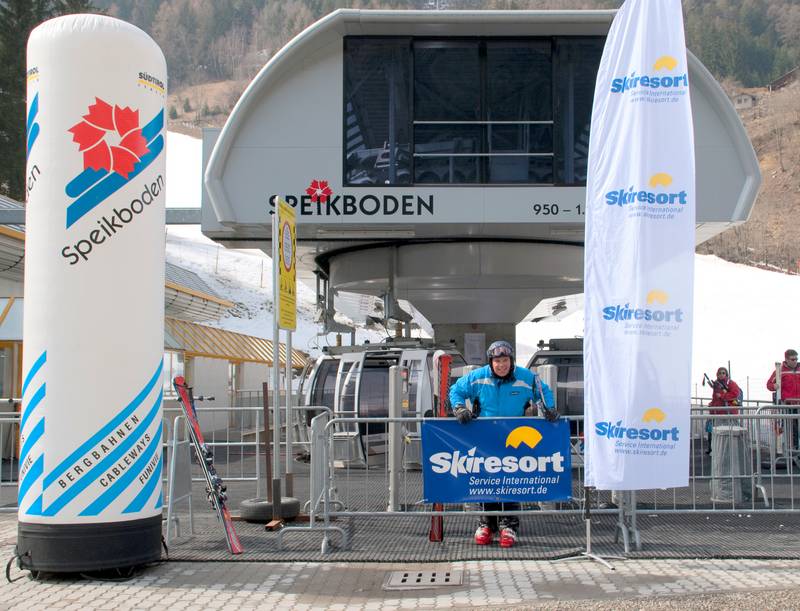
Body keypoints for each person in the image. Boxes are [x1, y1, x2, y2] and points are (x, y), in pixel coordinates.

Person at [448, 339, 556, 548]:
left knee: (511, 478)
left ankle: (509, 525)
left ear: (511, 360)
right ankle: (486, 523)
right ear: (491, 362)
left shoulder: (525, 377)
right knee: (486, 478)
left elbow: (543, 392)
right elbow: (456, 390)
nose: (501, 365)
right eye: (497, 361)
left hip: (513, 438)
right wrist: (460, 408)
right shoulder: (478, 376)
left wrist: (548, 408)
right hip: (486, 436)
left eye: (505, 360)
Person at [705, 367, 741, 454]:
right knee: (713, 432)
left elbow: (735, 394)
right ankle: (714, 450)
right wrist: (712, 405)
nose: (721, 375)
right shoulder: (716, 384)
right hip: (716, 412)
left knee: (726, 433)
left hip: (727, 413)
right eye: (720, 373)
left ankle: (726, 452)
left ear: (726, 374)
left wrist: (722, 396)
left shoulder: (731, 383)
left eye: (723, 373)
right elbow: (715, 398)